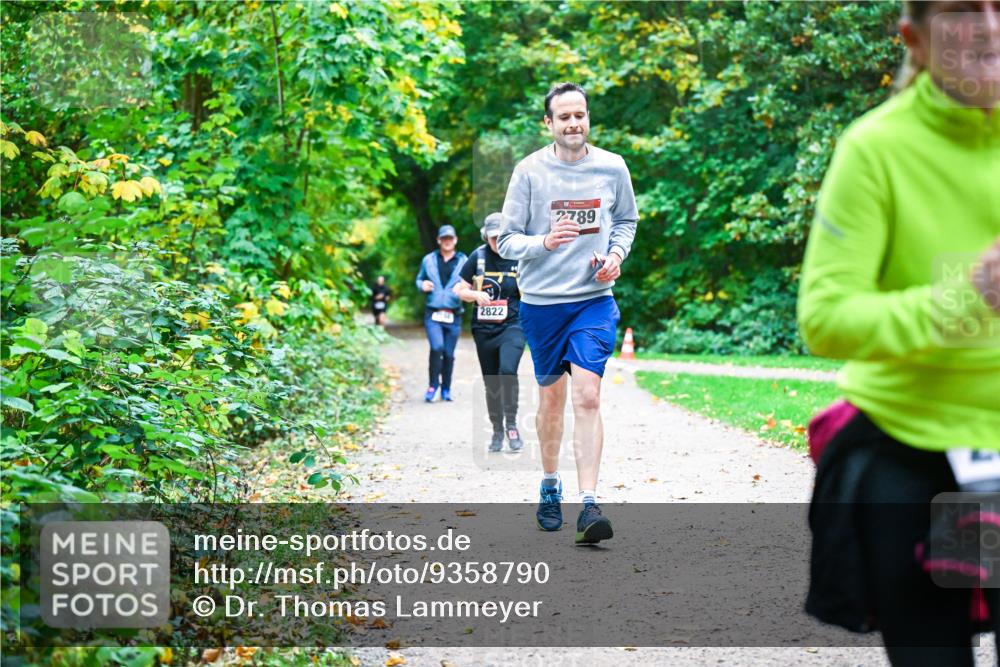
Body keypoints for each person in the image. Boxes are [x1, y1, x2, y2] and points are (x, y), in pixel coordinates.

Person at [798, 1, 1000, 664]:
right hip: (914, 452)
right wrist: (967, 296)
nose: (990, 25)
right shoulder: (876, 149)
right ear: (915, 38)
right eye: (964, 9)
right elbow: (825, 318)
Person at [497, 82, 638, 545]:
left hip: (594, 300)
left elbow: (626, 220)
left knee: (589, 396)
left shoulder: (613, 166)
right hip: (541, 304)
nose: (573, 123)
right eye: (564, 117)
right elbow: (506, 240)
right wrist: (544, 242)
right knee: (552, 400)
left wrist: (615, 255)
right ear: (549, 123)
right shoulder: (529, 171)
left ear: (588, 117)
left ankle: (590, 503)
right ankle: (549, 483)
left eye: (580, 115)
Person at [454, 212, 526, 453]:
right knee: (491, 380)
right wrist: (475, 294)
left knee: (507, 370)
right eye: (493, 237)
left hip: (513, 324)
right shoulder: (478, 256)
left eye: (500, 236)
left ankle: (512, 426)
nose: (497, 241)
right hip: (484, 329)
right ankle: (497, 430)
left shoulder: (518, 255)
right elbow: (459, 289)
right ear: (486, 236)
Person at [415, 225, 467, 403]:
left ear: (455, 240)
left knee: (449, 353)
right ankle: (432, 386)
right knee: (437, 347)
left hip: (454, 314)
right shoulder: (428, 259)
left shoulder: (464, 260)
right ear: (438, 240)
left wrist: (465, 287)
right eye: (444, 238)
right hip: (433, 314)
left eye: (450, 238)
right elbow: (419, 279)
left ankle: (446, 388)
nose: (447, 241)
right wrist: (422, 285)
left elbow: (473, 281)